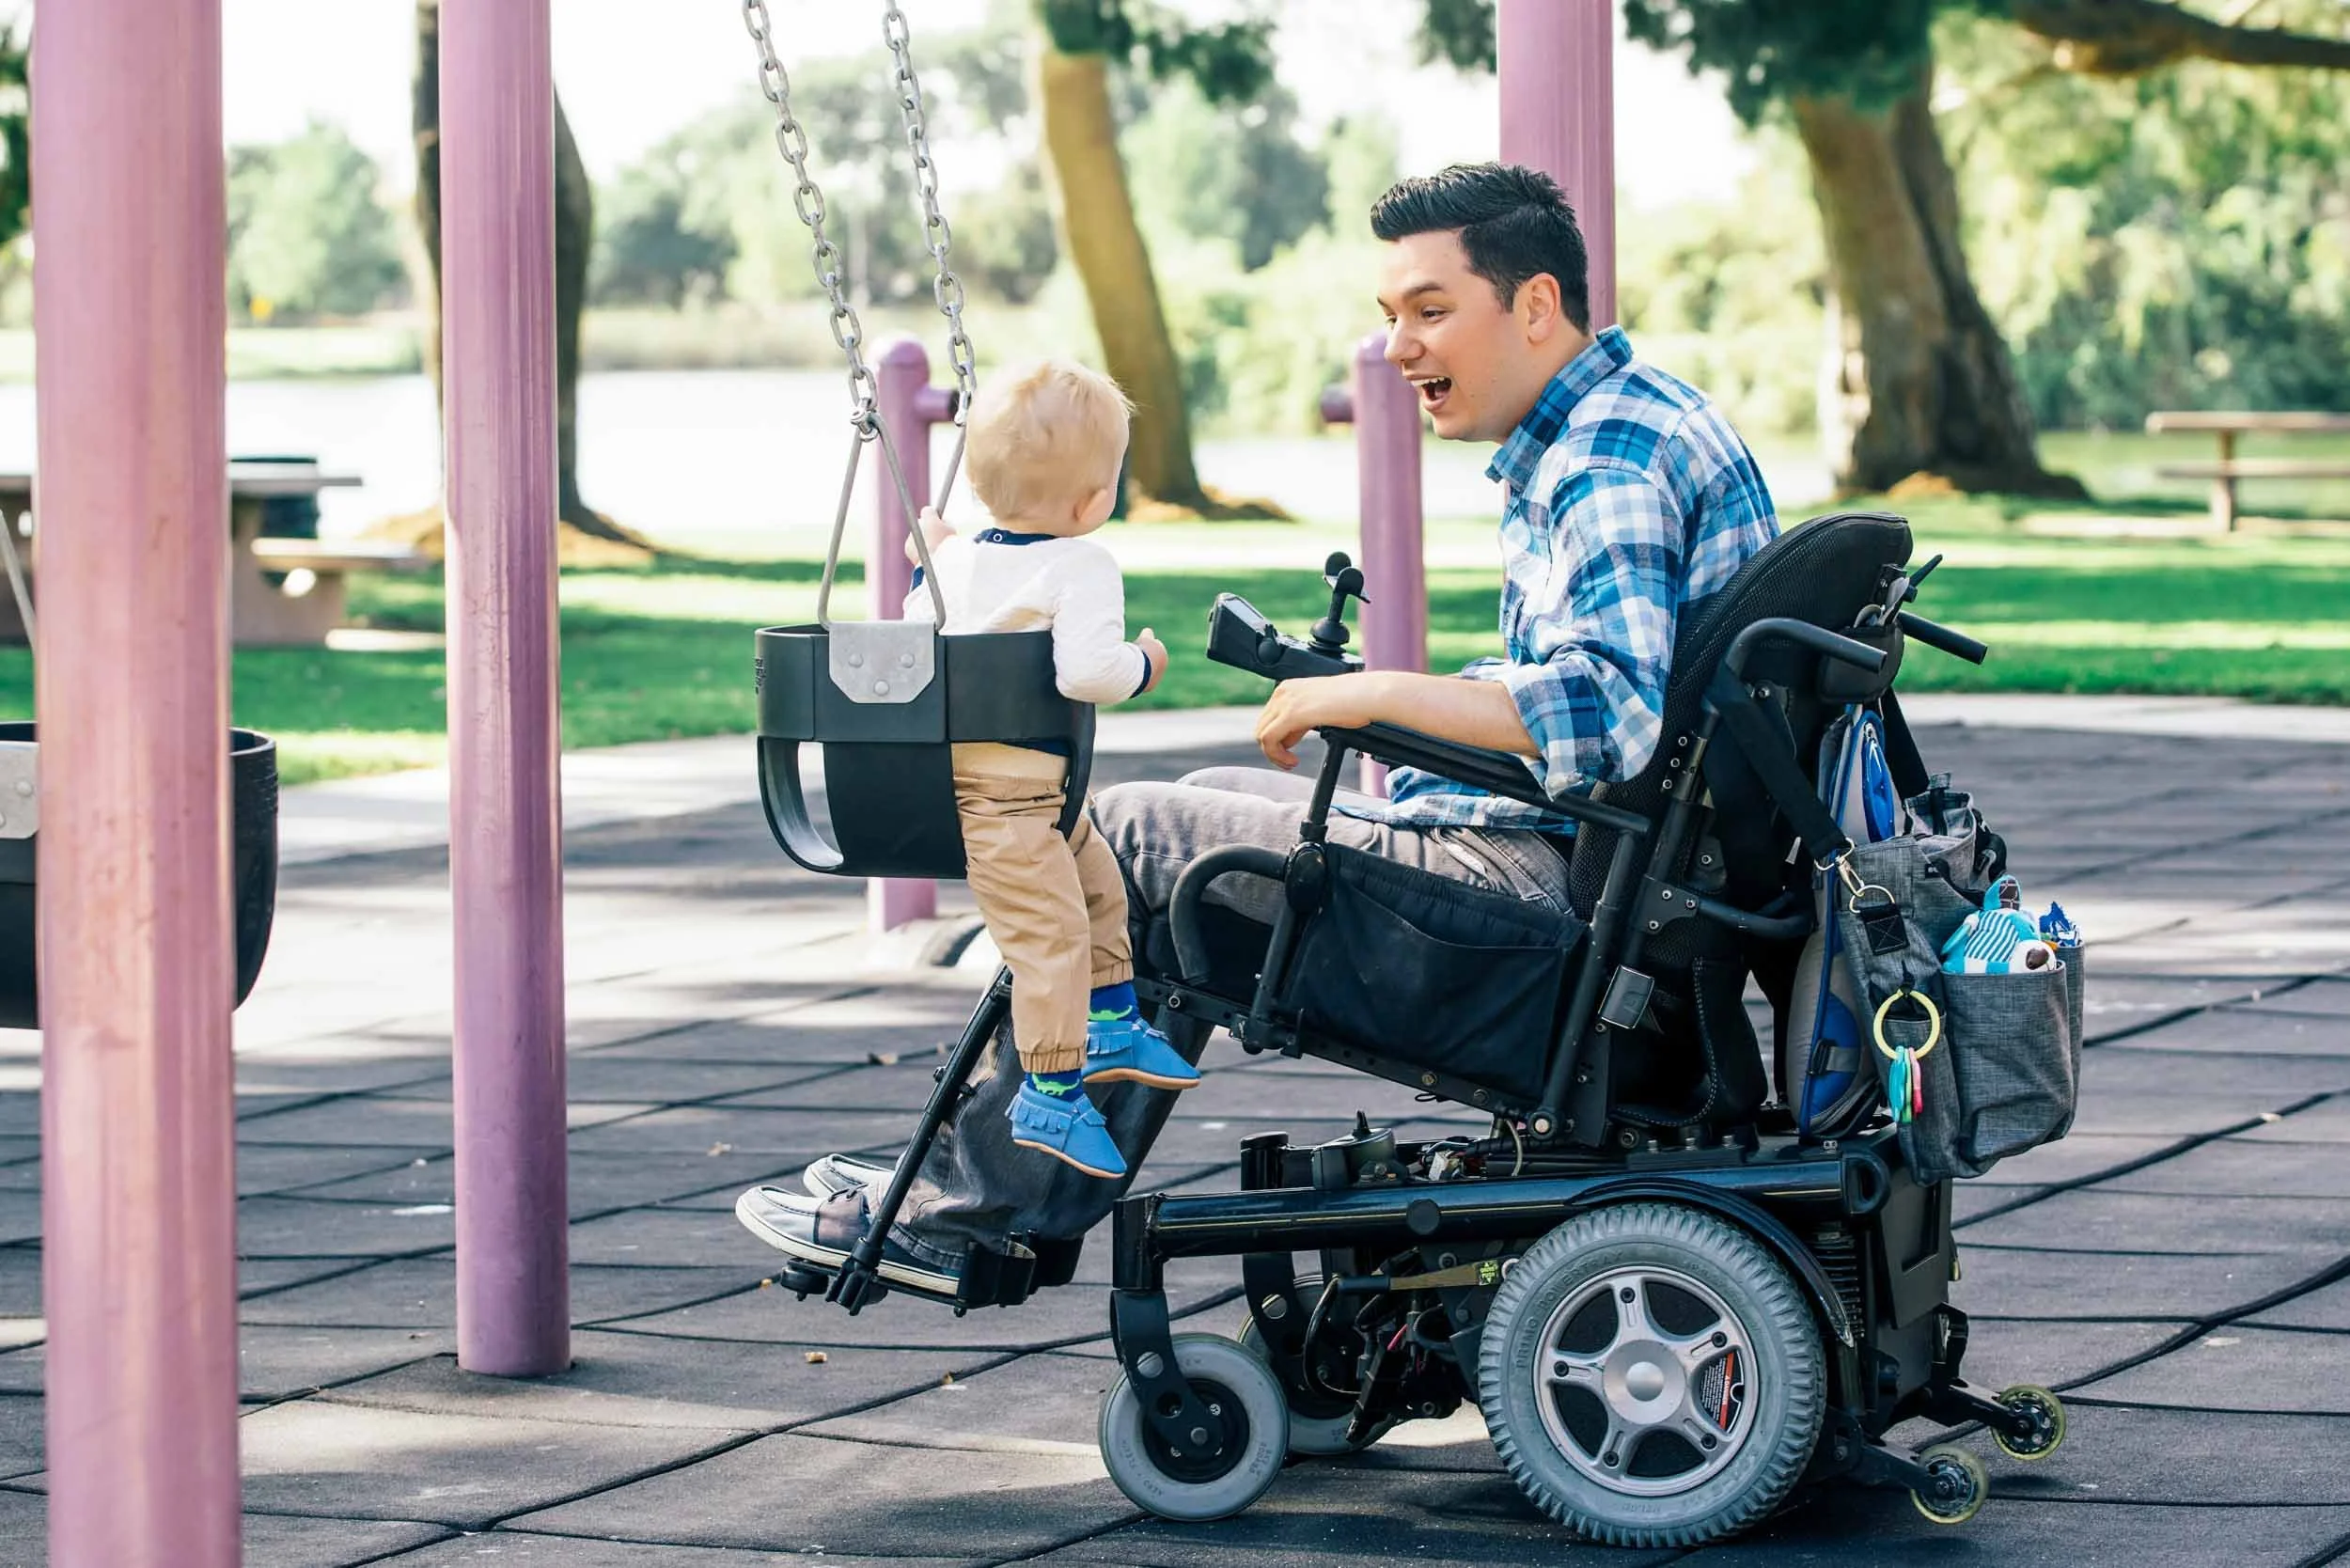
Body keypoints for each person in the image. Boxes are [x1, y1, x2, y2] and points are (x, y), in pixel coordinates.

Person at [735, 162, 1782, 1296]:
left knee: (1129, 839)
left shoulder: (1604, 461)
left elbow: (1604, 712)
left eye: (1432, 312)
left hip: (1569, 920)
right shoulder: (1637, 418)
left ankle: (965, 1211)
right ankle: (987, 1191)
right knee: (1190, 803)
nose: (1400, 349)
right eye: (1391, 317)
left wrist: (1369, 695)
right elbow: (1620, 695)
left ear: (1533, 305)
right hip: (1620, 889)